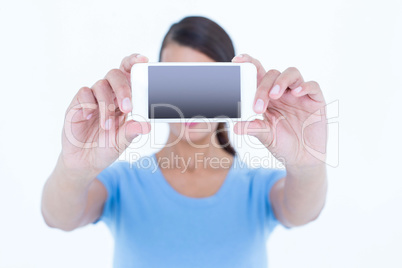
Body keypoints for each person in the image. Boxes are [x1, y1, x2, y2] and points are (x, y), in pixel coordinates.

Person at [41, 16, 328, 268]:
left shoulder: (257, 185)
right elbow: (59, 218)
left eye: (207, 83)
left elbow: (302, 212)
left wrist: (307, 164)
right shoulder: (123, 182)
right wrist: (74, 168)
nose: (192, 102)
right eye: (178, 82)